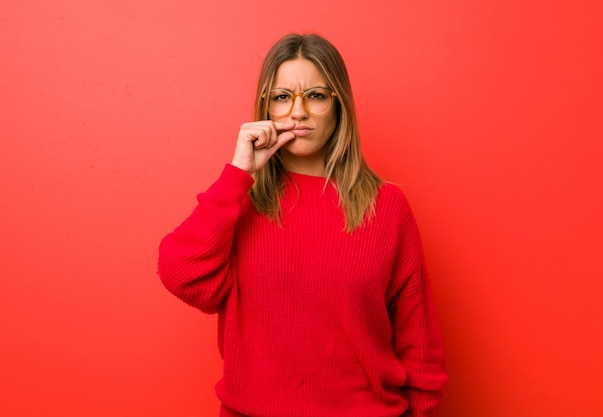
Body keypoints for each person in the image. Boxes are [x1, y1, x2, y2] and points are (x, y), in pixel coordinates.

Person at [158, 33, 447, 417]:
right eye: (282, 97)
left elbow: (419, 342)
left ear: (338, 105)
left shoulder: (388, 207)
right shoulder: (239, 203)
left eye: (315, 95)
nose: (298, 112)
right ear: (265, 108)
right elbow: (181, 274)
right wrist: (238, 174)